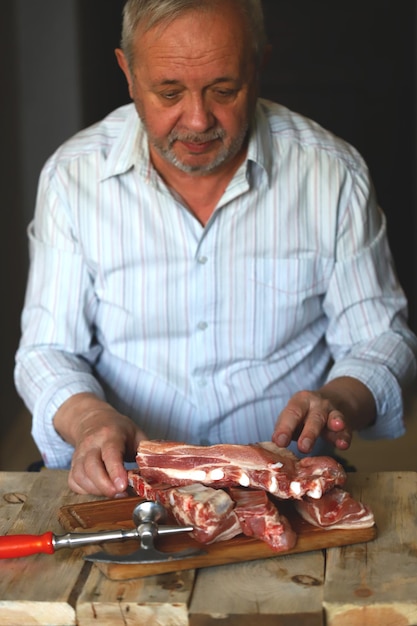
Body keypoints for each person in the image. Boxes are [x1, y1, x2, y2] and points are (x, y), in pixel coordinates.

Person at [15, 0, 417, 498]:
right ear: (127, 71)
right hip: (129, 483)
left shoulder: (331, 174)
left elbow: (381, 339)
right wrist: (90, 420)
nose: (199, 119)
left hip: (283, 483)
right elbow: (47, 350)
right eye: (169, 92)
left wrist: (337, 398)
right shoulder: (73, 178)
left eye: (224, 90)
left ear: (259, 64)